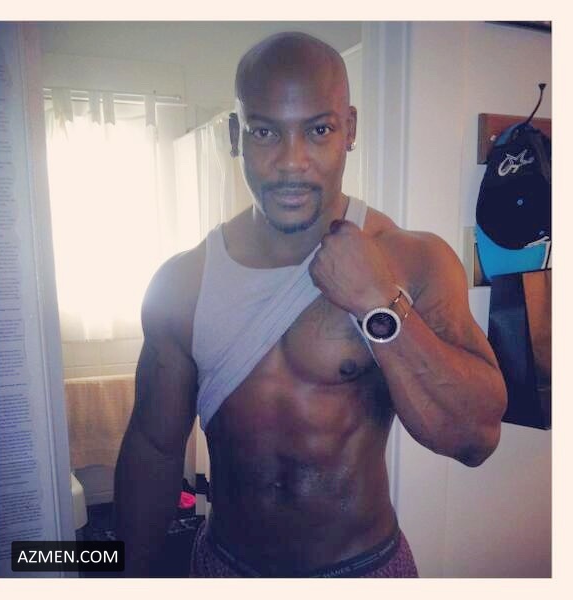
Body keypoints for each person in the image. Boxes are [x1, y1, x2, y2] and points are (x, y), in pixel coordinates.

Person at [114, 31, 507, 578]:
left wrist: (378, 305)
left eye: (318, 130)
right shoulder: (182, 285)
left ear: (350, 130)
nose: (291, 162)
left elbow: (476, 438)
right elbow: (154, 450)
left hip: (364, 570)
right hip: (226, 568)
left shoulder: (412, 261)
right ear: (236, 136)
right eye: (265, 132)